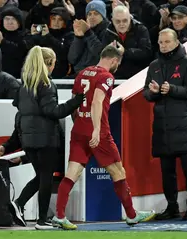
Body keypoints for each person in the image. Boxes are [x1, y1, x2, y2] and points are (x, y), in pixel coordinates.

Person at [51, 45, 156, 230]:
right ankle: (132, 215)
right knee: (118, 172)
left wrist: (79, 123)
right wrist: (96, 129)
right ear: (114, 60)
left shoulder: (82, 73)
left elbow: (74, 101)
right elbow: (97, 101)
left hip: (79, 130)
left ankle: (59, 216)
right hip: (99, 133)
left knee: (71, 174)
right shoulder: (106, 77)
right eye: (118, 63)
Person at [8, 46, 85, 230]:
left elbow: (19, 108)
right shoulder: (46, 84)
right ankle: (42, 220)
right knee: (46, 178)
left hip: (27, 138)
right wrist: (76, 101)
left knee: (41, 176)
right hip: (45, 139)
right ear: (49, 64)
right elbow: (53, 111)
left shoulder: (24, 85)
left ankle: (18, 203)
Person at [143, 28, 187, 221]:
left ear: (176, 42)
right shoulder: (154, 65)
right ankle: (172, 207)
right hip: (164, 126)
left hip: (186, 126)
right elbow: (146, 93)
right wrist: (154, 92)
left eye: (167, 42)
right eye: (160, 42)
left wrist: (171, 89)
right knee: (167, 171)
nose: (163, 45)